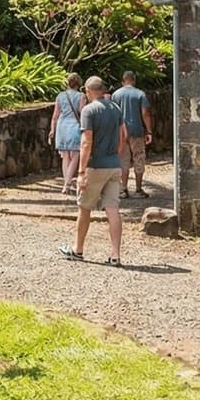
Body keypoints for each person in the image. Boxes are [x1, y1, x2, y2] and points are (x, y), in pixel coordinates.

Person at [58, 76, 130, 266]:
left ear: (89, 92)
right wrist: (117, 154)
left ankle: (78, 249)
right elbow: (124, 135)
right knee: (113, 210)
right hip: (114, 165)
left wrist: (81, 172)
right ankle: (115, 255)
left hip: (95, 166)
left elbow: (86, 141)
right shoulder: (115, 108)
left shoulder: (89, 111)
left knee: (84, 208)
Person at [114, 70, 154, 198]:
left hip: (121, 132)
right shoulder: (140, 94)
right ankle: (138, 189)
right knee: (139, 158)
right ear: (134, 80)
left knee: (123, 160)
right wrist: (149, 131)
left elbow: (114, 114)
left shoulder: (116, 94)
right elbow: (145, 113)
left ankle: (123, 189)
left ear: (123, 81)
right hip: (137, 131)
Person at [49, 72, 86, 194]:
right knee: (75, 154)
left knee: (65, 156)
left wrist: (52, 130)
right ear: (78, 83)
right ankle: (67, 184)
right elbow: (82, 112)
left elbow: (55, 115)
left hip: (61, 125)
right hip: (74, 125)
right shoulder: (81, 96)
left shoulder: (60, 96)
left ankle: (67, 183)